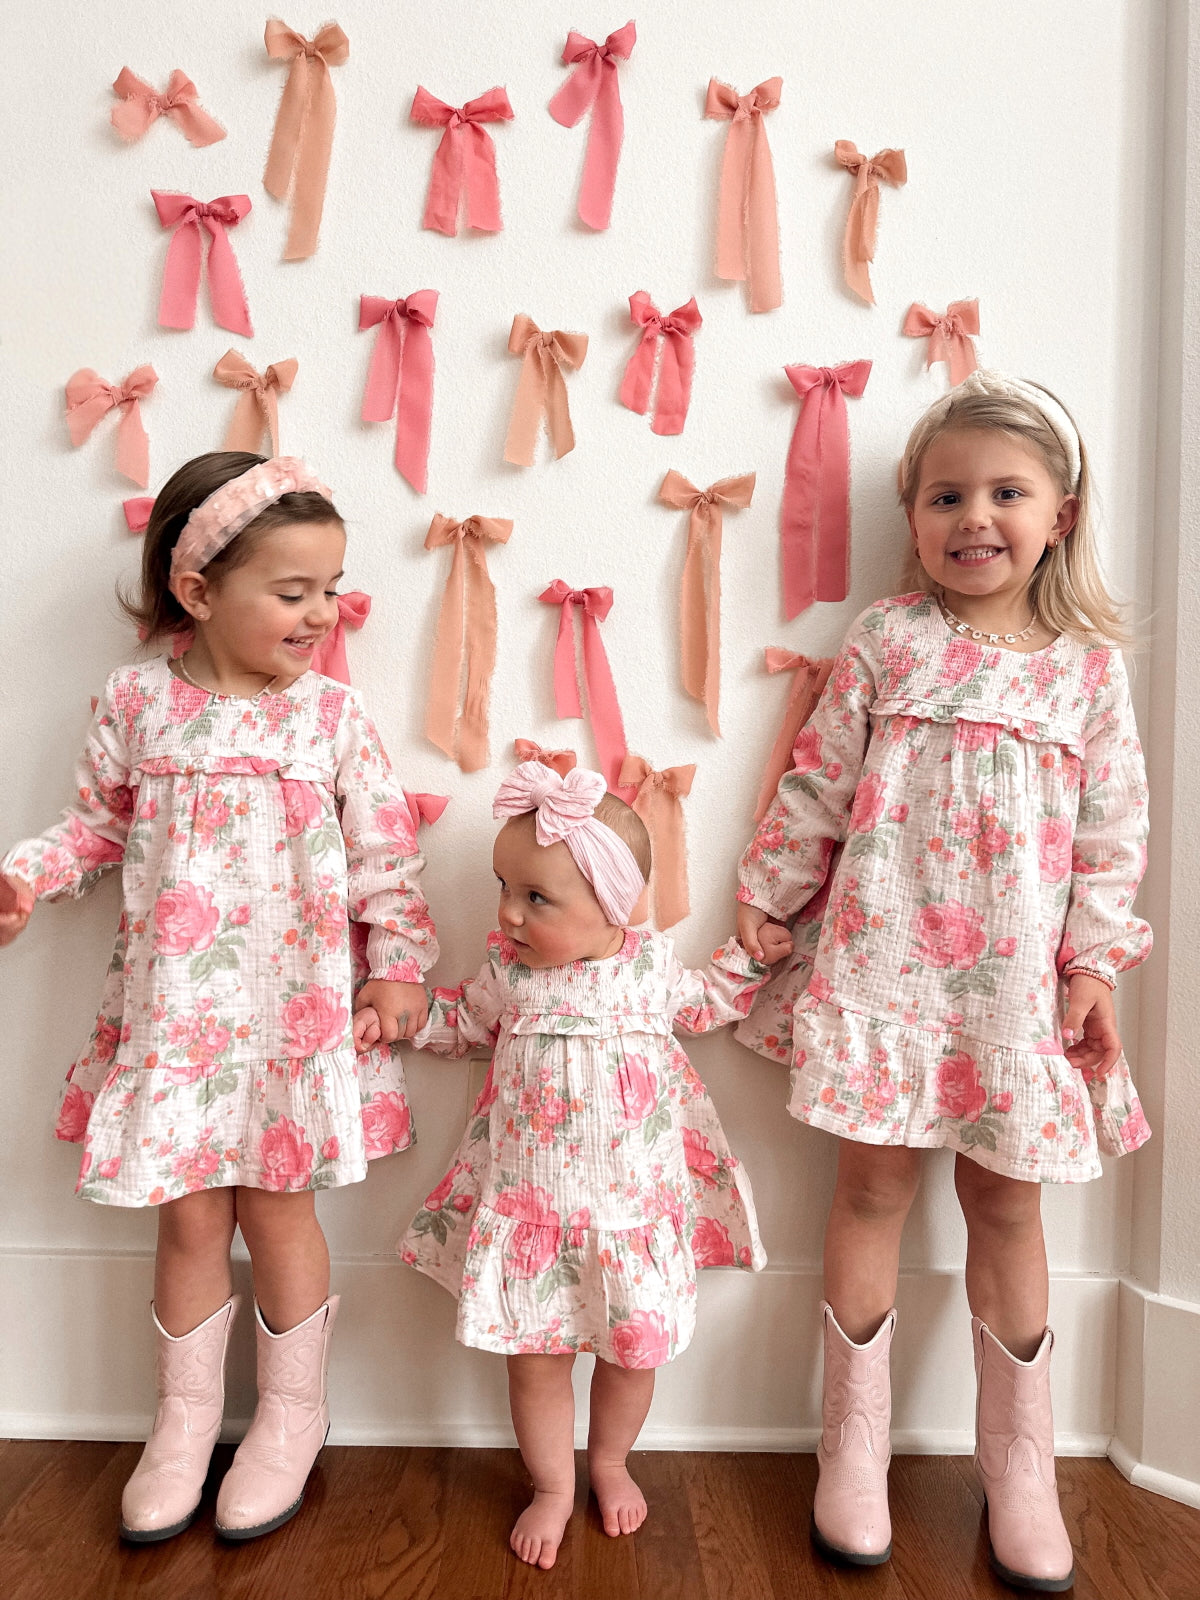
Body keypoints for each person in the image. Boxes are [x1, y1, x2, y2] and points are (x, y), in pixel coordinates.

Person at [734, 372, 1151, 1593]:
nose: (975, 517)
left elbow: (1112, 836)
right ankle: (852, 1448)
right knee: (869, 1187)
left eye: (1006, 493)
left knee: (1009, 1206)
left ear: (1060, 515)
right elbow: (819, 778)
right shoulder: (889, 638)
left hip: (1014, 992)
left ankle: (1021, 1465)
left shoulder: (1086, 671)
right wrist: (770, 891)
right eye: (946, 496)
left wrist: (1094, 964)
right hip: (885, 967)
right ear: (914, 516)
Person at [0, 452, 438, 1543]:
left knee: (280, 1209)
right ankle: (185, 1421)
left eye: (331, 589)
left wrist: (396, 960)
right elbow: (95, 828)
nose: (323, 614)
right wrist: (26, 877)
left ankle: (291, 1416)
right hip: (177, 1019)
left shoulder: (329, 716)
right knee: (191, 1215)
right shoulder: (136, 703)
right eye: (293, 592)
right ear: (197, 592)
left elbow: (385, 847)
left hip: (293, 1017)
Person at [396, 761, 773, 1570]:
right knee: (535, 1366)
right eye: (504, 887)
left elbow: (706, 1002)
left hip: (631, 1217)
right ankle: (551, 1484)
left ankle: (609, 1461)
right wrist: (404, 1017)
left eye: (536, 898)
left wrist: (749, 960)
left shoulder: (648, 969)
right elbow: (461, 1021)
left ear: (612, 902)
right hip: (533, 1215)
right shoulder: (510, 975)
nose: (507, 911)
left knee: (632, 1356)